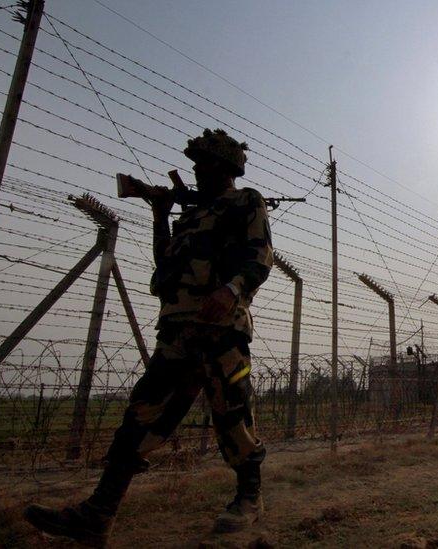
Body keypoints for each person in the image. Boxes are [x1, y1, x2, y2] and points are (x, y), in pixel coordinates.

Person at [24, 129, 274, 546]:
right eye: (196, 161)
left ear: (228, 167)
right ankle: (98, 515)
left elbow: (260, 255)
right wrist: (160, 215)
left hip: (224, 331)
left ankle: (250, 498)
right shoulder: (191, 215)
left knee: (232, 416)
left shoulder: (245, 201)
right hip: (178, 331)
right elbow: (166, 262)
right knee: (140, 416)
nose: (196, 168)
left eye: (205, 161)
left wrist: (230, 291)